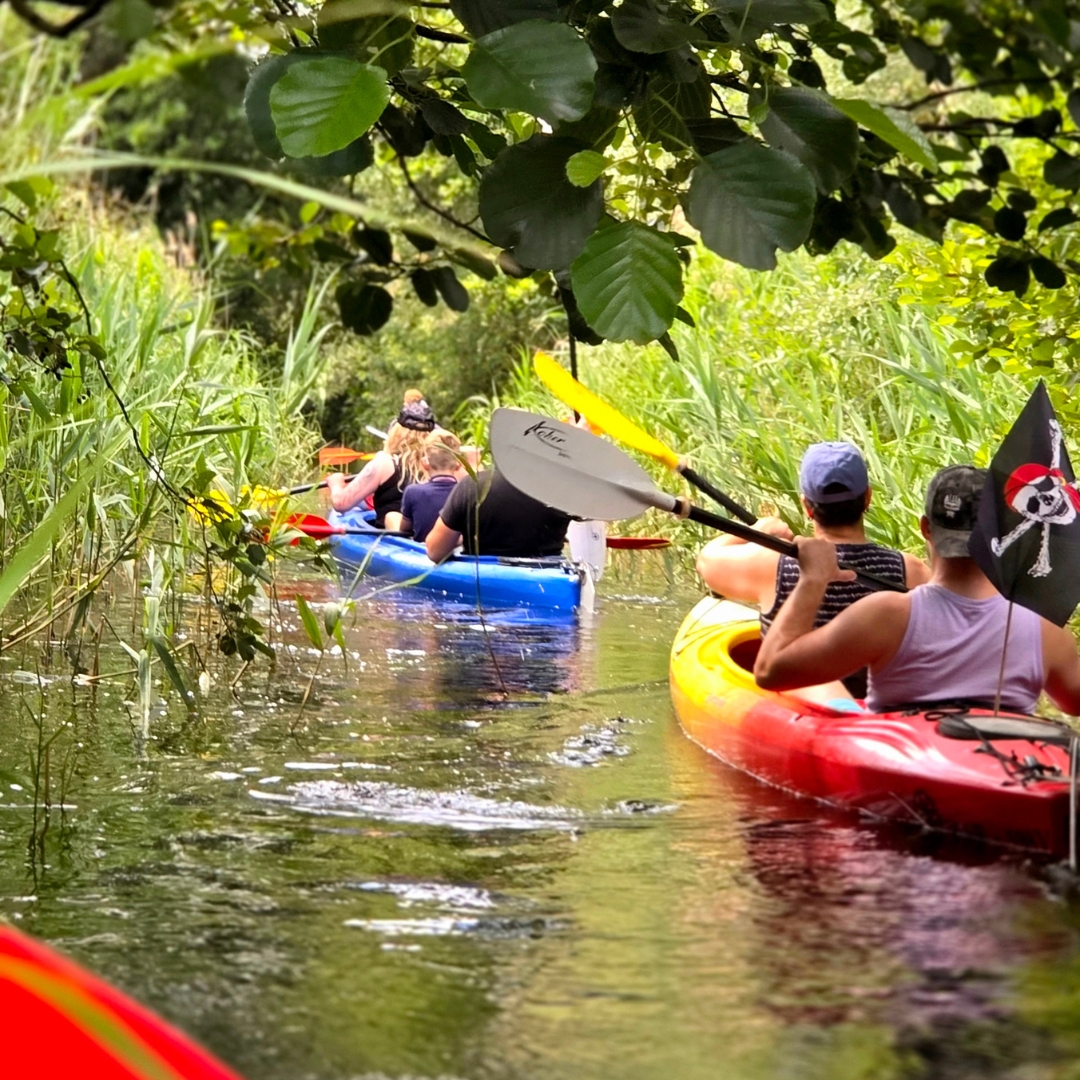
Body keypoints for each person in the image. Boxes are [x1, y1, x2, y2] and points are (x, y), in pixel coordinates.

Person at [753, 465, 1080, 716]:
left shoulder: (886, 616)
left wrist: (813, 579)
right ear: (1001, 531)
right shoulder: (1044, 630)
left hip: (906, 785)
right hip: (1006, 772)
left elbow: (770, 672)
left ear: (925, 527)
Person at [697, 441, 930, 697]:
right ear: (867, 498)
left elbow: (706, 561)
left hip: (803, 708)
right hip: (878, 717)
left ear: (807, 506)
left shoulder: (771, 564)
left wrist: (757, 532)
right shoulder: (911, 570)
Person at [326, 395, 435, 529]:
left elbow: (341, 504)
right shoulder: (441, 463)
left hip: (391, 541)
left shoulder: (384, 463)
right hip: (426, 538)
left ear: (397, 431)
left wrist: (335, 483)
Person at [425, 470, 571, 562]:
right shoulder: (562, 491)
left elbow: (435, 551)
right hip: (550, 581)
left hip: (484, 585)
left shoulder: (473, 484)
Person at [399, 429, 463, 543]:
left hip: (422, 551)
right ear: (458, 465)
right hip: (456, 550)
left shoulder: (412, 492)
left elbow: (404, 529)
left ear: (425, 463)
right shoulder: (467, 493)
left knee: (390, 516)